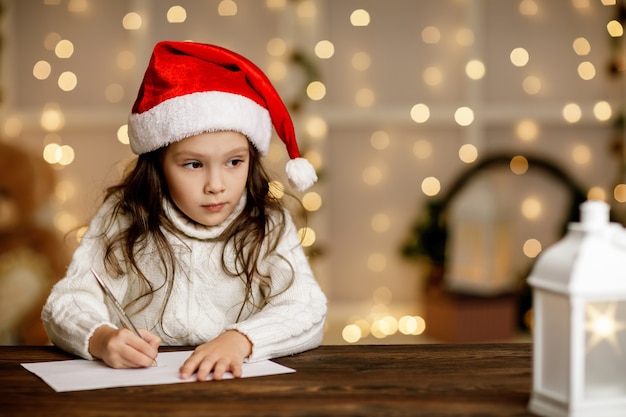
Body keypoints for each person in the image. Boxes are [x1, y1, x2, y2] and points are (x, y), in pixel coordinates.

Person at [42, 41, 327, 381]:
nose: (216, 184)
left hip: (237, 390)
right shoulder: (126, 216)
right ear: (158, 164)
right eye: (193, 164)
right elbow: (66, 303)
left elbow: (307, 309)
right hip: (141, 391)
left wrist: (241, 340)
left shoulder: (268, 222)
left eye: (235, 162)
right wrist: (102, 339)